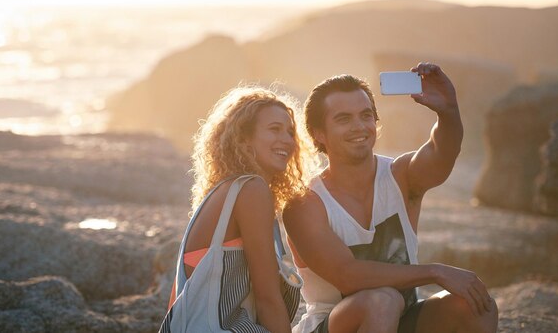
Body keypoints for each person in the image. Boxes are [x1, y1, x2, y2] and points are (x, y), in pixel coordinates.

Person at [283, 63, 499, 333]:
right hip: (334, 326)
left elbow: (441, 153)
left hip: (402, 319)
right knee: (382, 301)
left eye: (366, 115)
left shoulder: (401, 176)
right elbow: (346, 275)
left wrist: (449, 112)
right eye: (343, 119)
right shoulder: (306, 203)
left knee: (477, 303)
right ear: (318, 133)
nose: (359, 126)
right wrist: (435, 271)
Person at [164, 85, 317, 333]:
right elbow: (267, 299)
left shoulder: (225, 191)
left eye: (290, 132)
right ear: (243, 139)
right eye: (274, 129)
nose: (287, 140)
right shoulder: (252, 190)